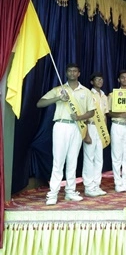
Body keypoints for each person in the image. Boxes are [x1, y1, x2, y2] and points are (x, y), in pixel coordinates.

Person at [37, 63, 95, 205]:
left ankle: (70, 191)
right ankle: (53, 193)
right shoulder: (59, 90)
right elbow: (40, 103)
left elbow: (91, 112)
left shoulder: (86, 91)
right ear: (66, 73)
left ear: (79, 73)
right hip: (61, 125)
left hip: (77, 127)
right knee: (58, 160)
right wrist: (58, 98)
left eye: (75, 71)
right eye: (70, 71)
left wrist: (80, 117)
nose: (72, 73)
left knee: (72, 160)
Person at [83, 72, 110, 197]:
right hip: (91, 126)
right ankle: (89, 186)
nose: (100, 81)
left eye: (101, 79)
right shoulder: (88, 94)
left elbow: (104, 115)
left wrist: (105, 132)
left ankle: (96, 185)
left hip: (101, 129)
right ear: (92, 82)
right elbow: (84, 115)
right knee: (89, 157)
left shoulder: (104, 96)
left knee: (99, 158)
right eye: (97, 79)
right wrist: (86, 133)